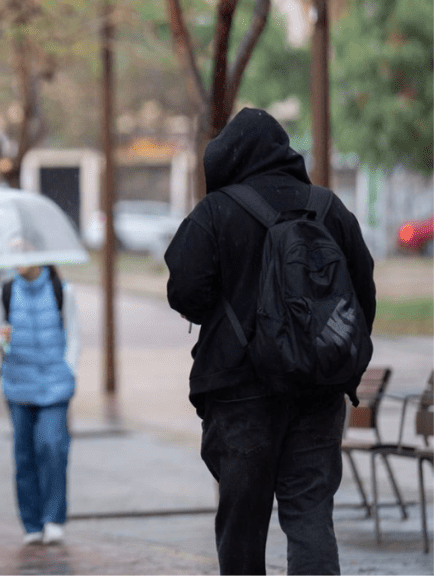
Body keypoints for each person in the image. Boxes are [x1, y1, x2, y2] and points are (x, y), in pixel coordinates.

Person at [164, 107, 376, 575]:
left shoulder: (215, 213)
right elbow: (362, 293)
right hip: (318, 391)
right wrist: (334, 359)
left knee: (243, 526)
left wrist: (224, 314)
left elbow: (183, 290)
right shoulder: (328, 207)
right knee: (311, 515)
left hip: (241, 395)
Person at [0, 263, 79, 546]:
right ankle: (31, 523)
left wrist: (69, 368)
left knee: (51, 446)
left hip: (55, 384)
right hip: (18, 385)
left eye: (25, 250)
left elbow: (73, 334)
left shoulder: (63, 291)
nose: (20, 258)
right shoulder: (1, 293)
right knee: (24, 454)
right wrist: (1, 340)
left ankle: (53, 518)